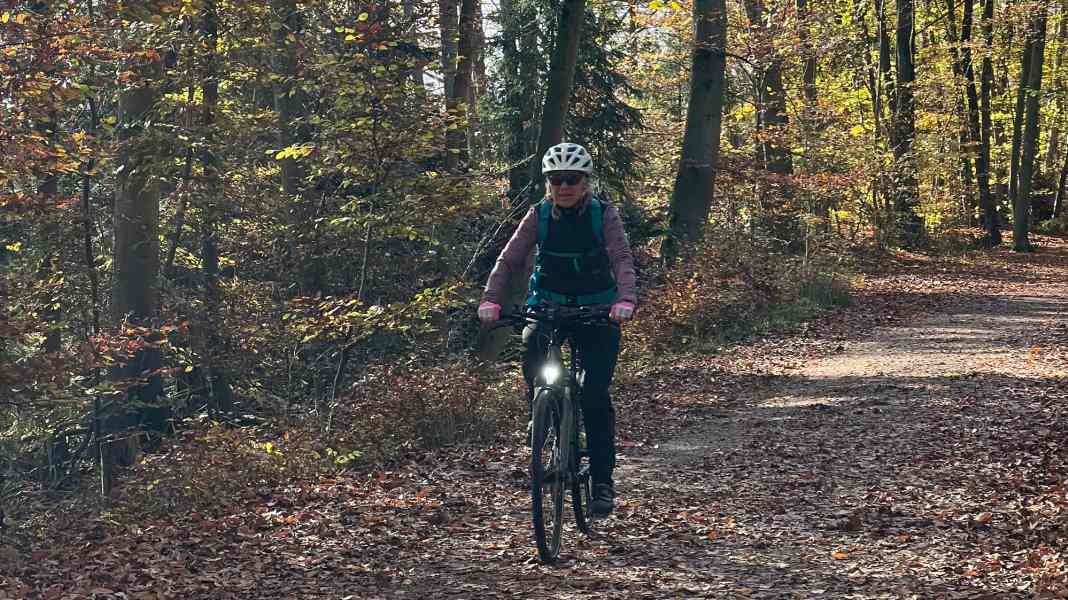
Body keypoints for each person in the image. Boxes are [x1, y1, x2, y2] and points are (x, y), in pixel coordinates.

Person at [477, 142, 637, 517]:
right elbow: (509, 258)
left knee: (595, 394)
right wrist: (490, 299)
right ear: (548, 183)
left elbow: (621, 258)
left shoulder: (604, 215)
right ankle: (542, 409)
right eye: (556, 179)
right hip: (548, 304)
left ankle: (601, 481)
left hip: (599, 308)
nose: (564, 186)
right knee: (532, 341)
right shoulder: (539, 215)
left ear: (585, 182)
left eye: (572, 179)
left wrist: (625, 300)